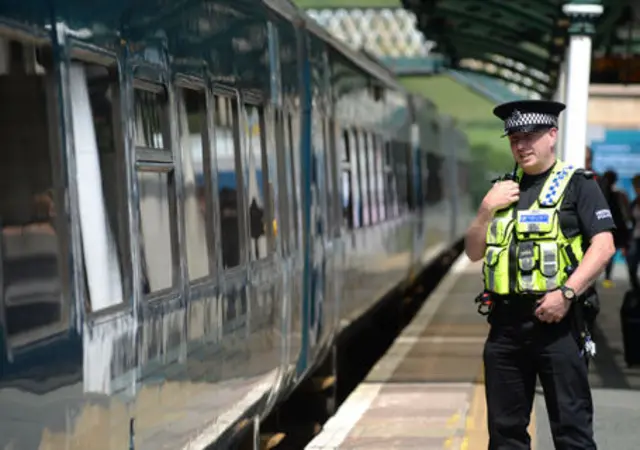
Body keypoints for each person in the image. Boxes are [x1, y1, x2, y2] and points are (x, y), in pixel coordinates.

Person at [464, 100, 616, 449]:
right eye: (514, 137)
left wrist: (566, 294)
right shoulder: (501, 190)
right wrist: (486, 209)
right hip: (505, 328)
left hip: (559, 326)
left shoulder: (580, 185)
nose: (521, 145)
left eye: (530, 136)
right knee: (505, 435)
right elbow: (474, 251)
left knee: (572, 432)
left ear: (552, 135)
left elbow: (604, 247)